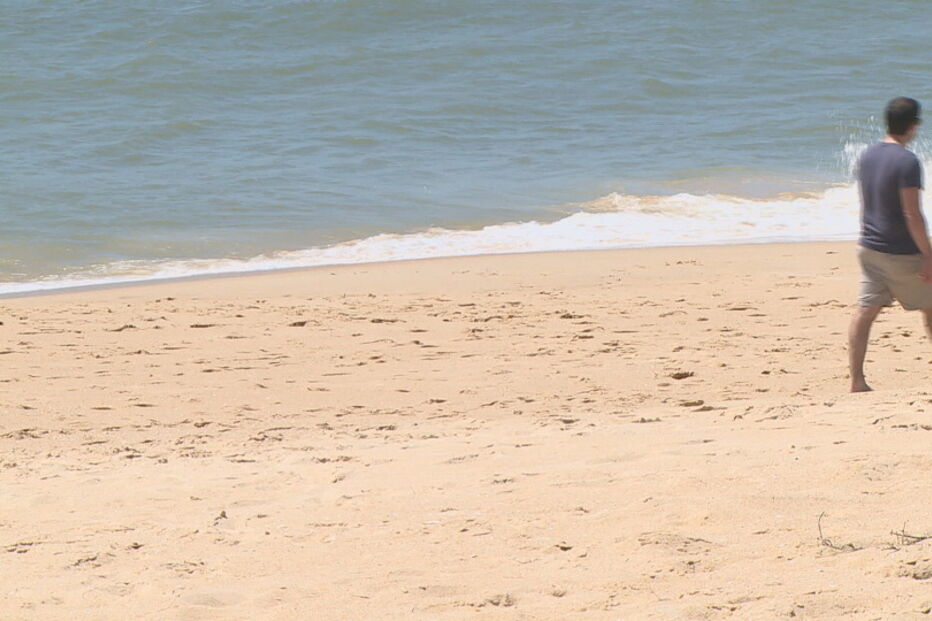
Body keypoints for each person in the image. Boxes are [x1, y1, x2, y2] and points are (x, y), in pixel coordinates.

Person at [849, 96, 932, 392]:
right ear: (914, 126)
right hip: (901, 252)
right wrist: (928, 254)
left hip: (869, 247)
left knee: (865, 311)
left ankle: (857, 381)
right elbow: (912, 213)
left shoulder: (868, 155)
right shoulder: (907, 161)